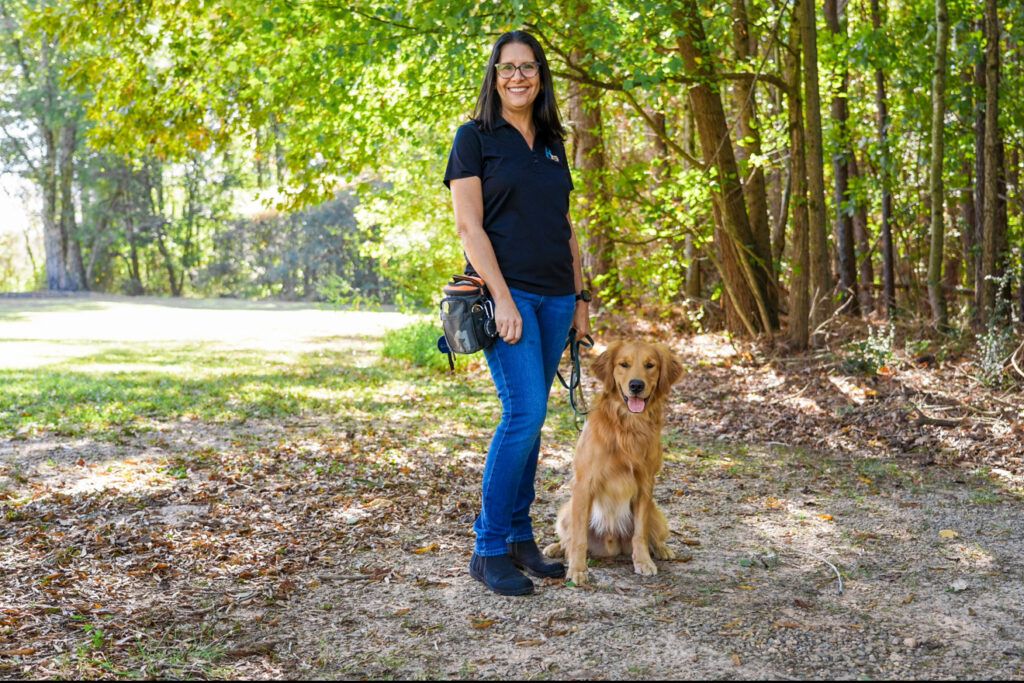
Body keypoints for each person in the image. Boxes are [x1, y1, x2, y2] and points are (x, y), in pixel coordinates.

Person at [443, 30, 591, 596]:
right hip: (509, 298)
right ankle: (487, 548)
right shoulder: (474, 138)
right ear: (494, 74)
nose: (518, 77)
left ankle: (519, 537)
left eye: (528, 68)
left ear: (540, 75)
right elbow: (468, 226)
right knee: (523, 414)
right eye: (508, 68)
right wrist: (502, 298)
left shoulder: (554, 141)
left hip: (556, 299)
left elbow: (566, 227)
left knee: (533, 421)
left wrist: (580, 299)